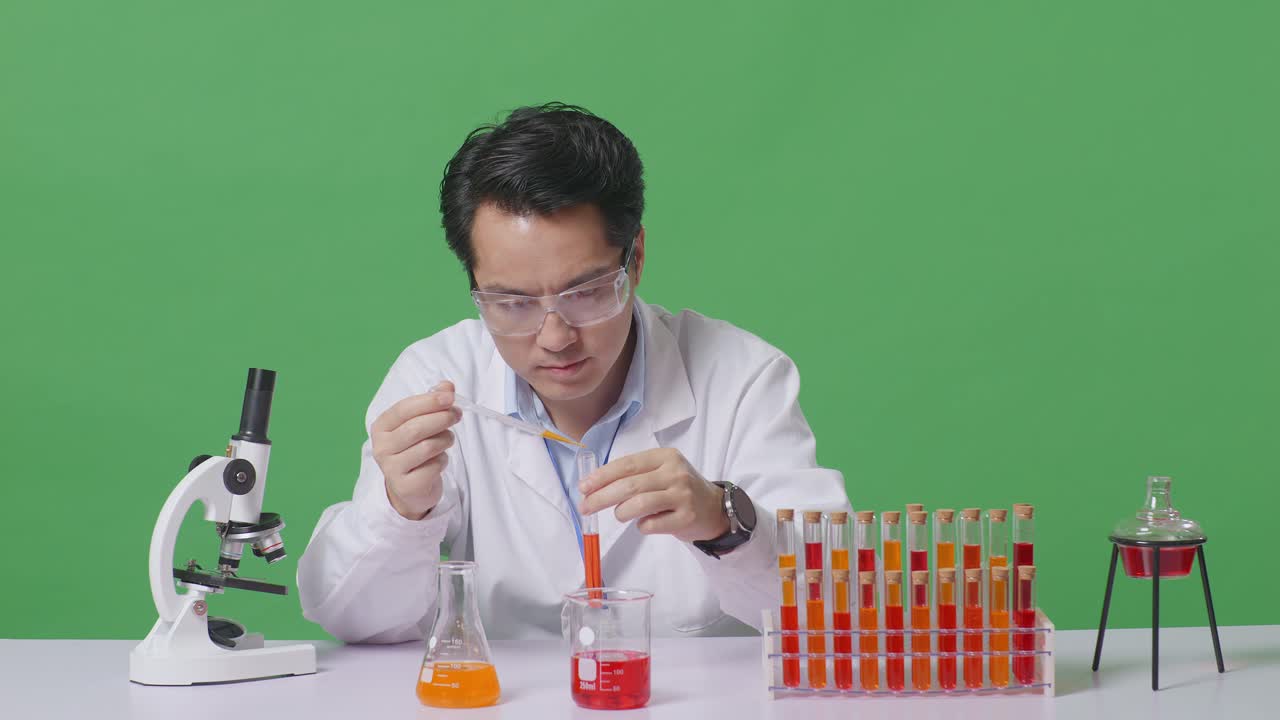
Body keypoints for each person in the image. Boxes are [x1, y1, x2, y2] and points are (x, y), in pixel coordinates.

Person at [297, 102, 847, 642]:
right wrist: (402, 511)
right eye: (511, 302)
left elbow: (834, 609)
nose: (555, 337)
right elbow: (350, 617)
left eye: (584, 292)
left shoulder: (743, 377)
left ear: (635, 258)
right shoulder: (439, 378)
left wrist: (724, 525)